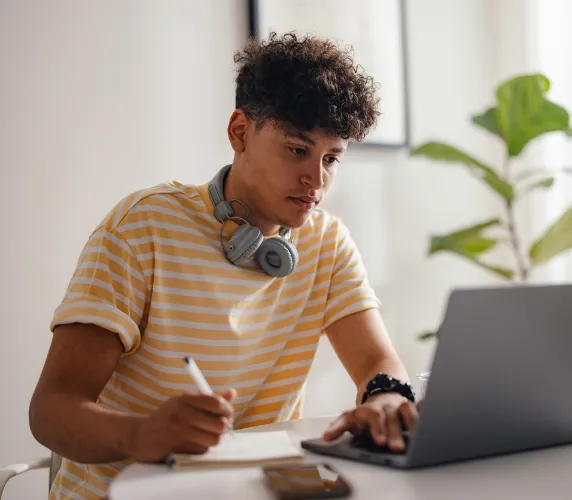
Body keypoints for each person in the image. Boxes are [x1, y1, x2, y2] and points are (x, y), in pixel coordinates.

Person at [29, 32, 418, 500]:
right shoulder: (142, 226)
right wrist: (139, 434)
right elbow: (52, 409)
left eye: (331, 158)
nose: (316, 180)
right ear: (239, 133)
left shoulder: (327, 242)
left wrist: (386, 397)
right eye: (297, 150)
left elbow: (377, 362)